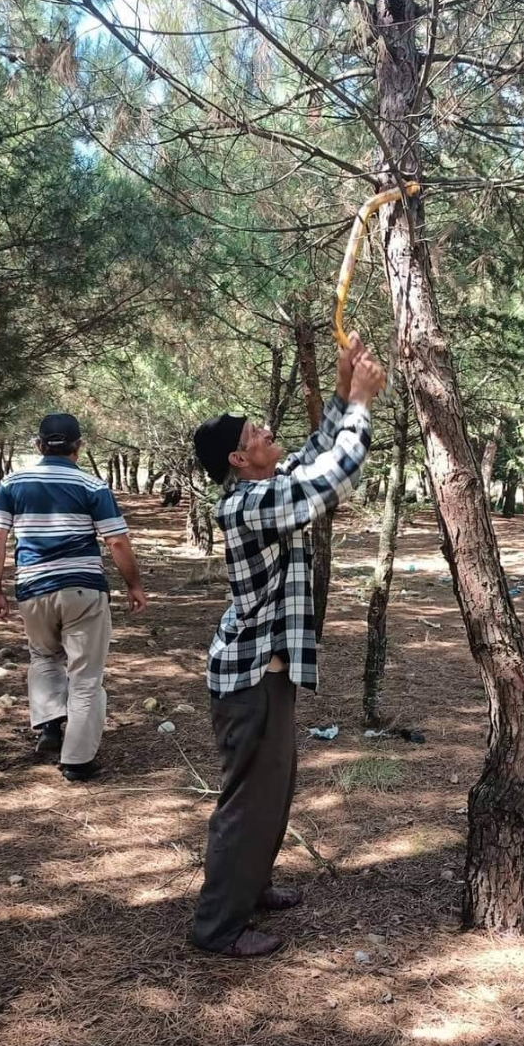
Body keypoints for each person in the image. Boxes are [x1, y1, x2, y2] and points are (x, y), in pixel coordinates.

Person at [189, 332, 387, 958]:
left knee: (272, 794)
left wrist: (338, 392)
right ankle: (218, 928)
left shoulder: (266, 485)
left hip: (264, 675)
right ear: (239, 462)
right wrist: (360, 405)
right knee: (248, 802)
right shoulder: (251, 504)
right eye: (256, 435)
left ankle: (253, 886)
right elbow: (330, 481)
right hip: (250, 679)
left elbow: (312, 454)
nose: (269, 432)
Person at [0, 412, 147, 782]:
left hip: (33, 589)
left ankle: (50, 726)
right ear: (78, 446)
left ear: (39, 445)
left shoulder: (12, 484)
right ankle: (77, 761)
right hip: (83, 588)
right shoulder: (93, 486)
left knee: (43, 656)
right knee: (86, 676)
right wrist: (133, 584)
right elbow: (116, 540)